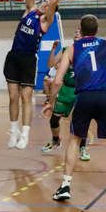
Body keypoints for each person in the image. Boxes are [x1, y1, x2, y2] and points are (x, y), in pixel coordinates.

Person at [48, 14, 106, 203]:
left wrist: (50, 101)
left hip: (84, 97)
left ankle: (65, 186)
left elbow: (57, 80)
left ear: (81, 28)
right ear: (97, 29)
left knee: (74, 140)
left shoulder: (72, 49)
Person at [4, 0, 66, 149]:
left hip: (29, 60)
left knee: (26, 96)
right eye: (44, 1)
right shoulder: (29, 11)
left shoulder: (45, 23)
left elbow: (54, 0)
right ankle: (13, 131)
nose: (46, 3)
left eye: (49, 4)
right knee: (13, 97)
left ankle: (25, 134)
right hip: (13, 57)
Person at [41, 29, 89, 161]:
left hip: (80, 90)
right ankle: (56, 140)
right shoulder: (66, 50)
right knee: (54, 120)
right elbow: (51, 64)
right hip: (66, 89)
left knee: (80, 120)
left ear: (84, 36)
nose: (76, 33)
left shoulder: (87, 52)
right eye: (75, 32)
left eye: (79, 32)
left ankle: (83, 148)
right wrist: (53, 49)